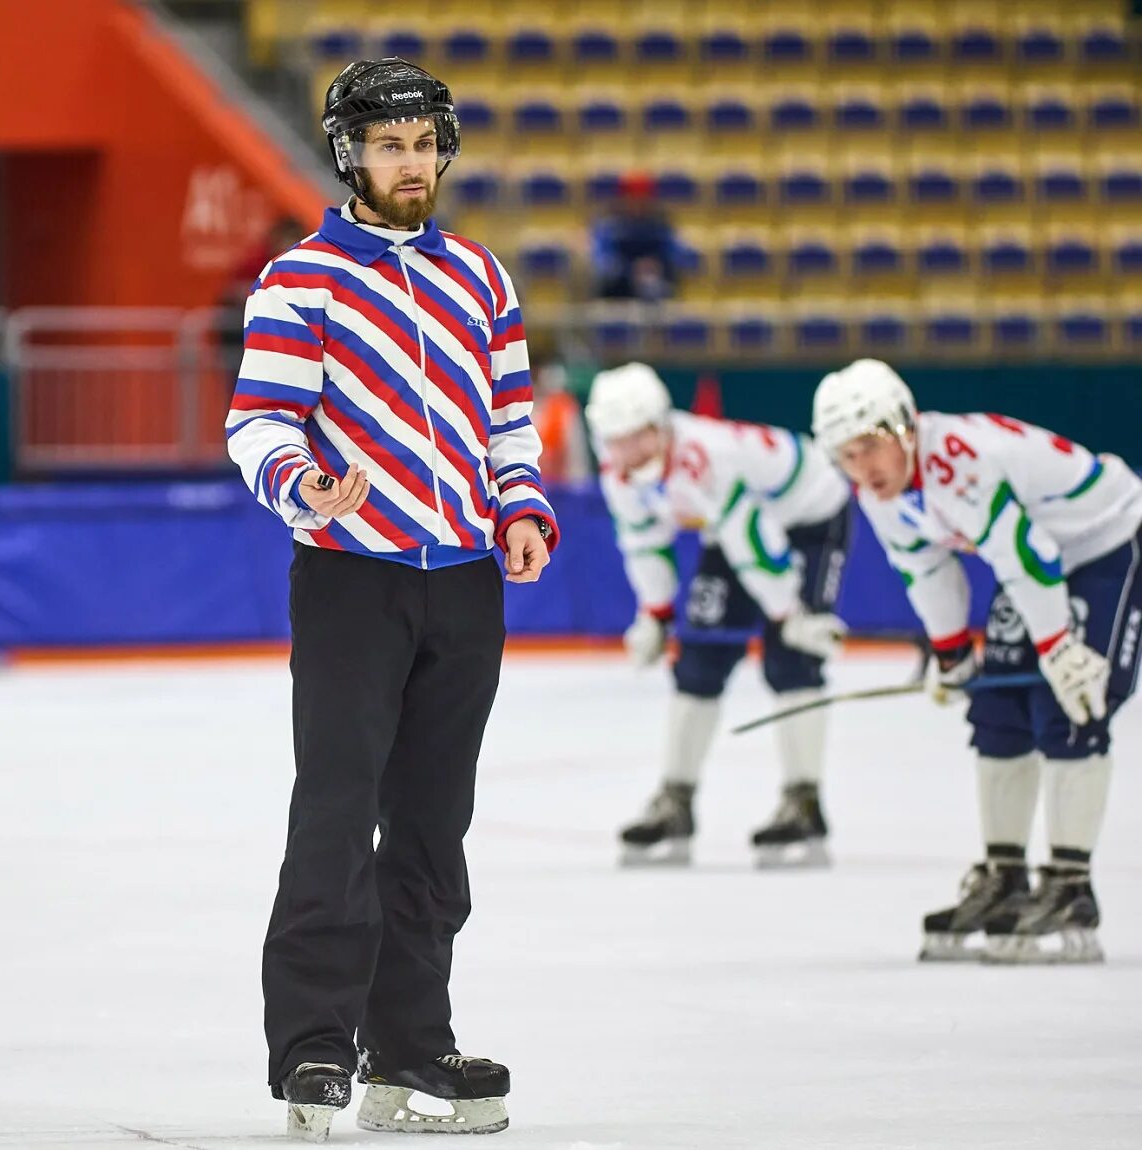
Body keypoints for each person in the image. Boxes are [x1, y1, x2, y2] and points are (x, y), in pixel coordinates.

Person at [224, 57, 558, 1140]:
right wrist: (305, 483)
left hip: (464, 582)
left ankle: (412, 1043)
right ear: (349, 155)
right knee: (335, 808)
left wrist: (519, 506)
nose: (410, 165)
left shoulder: (484, 280)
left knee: (430, 826)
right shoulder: (302, 280)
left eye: (424, 144)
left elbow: (511, 420)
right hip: (351, 578)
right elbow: (259, 422)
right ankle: (315, 1045)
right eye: (389, 146)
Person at [812, 359, 1142, 964]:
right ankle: (1005, 875)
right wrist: (953, 654)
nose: (862, 469)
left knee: (1071, 704)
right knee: (996, 709)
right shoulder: (882, 490)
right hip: (1042, 560)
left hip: (1107, 540)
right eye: (846, 456)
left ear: (903, 427)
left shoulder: (955, 461)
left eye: (869, 449)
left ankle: (1071, 885)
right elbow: (926, 568)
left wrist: (1059, 649)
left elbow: (1027, 554)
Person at [585, 363, 851, 868]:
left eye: (635, 437)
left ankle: (804, 799)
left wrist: (792, 613)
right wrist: (656, 616)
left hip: (810, 514)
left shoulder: (704, 459)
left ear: (660, 427)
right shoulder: (618, 470)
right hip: (737, 527)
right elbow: (643, 543)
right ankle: (676, 798)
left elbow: (754, 543)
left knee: (793, 658)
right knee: (699, 662)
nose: (625, 452)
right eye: (613, 440)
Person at [589, 173, 681, 302]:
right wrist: (631, 270)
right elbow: (603, 259)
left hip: (655, 286)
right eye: (632, 198)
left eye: (642, 199)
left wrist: (657, 266)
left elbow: (674, 254)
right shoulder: (610, 224)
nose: (637, 204)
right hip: (618, 289)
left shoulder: (660, 224)